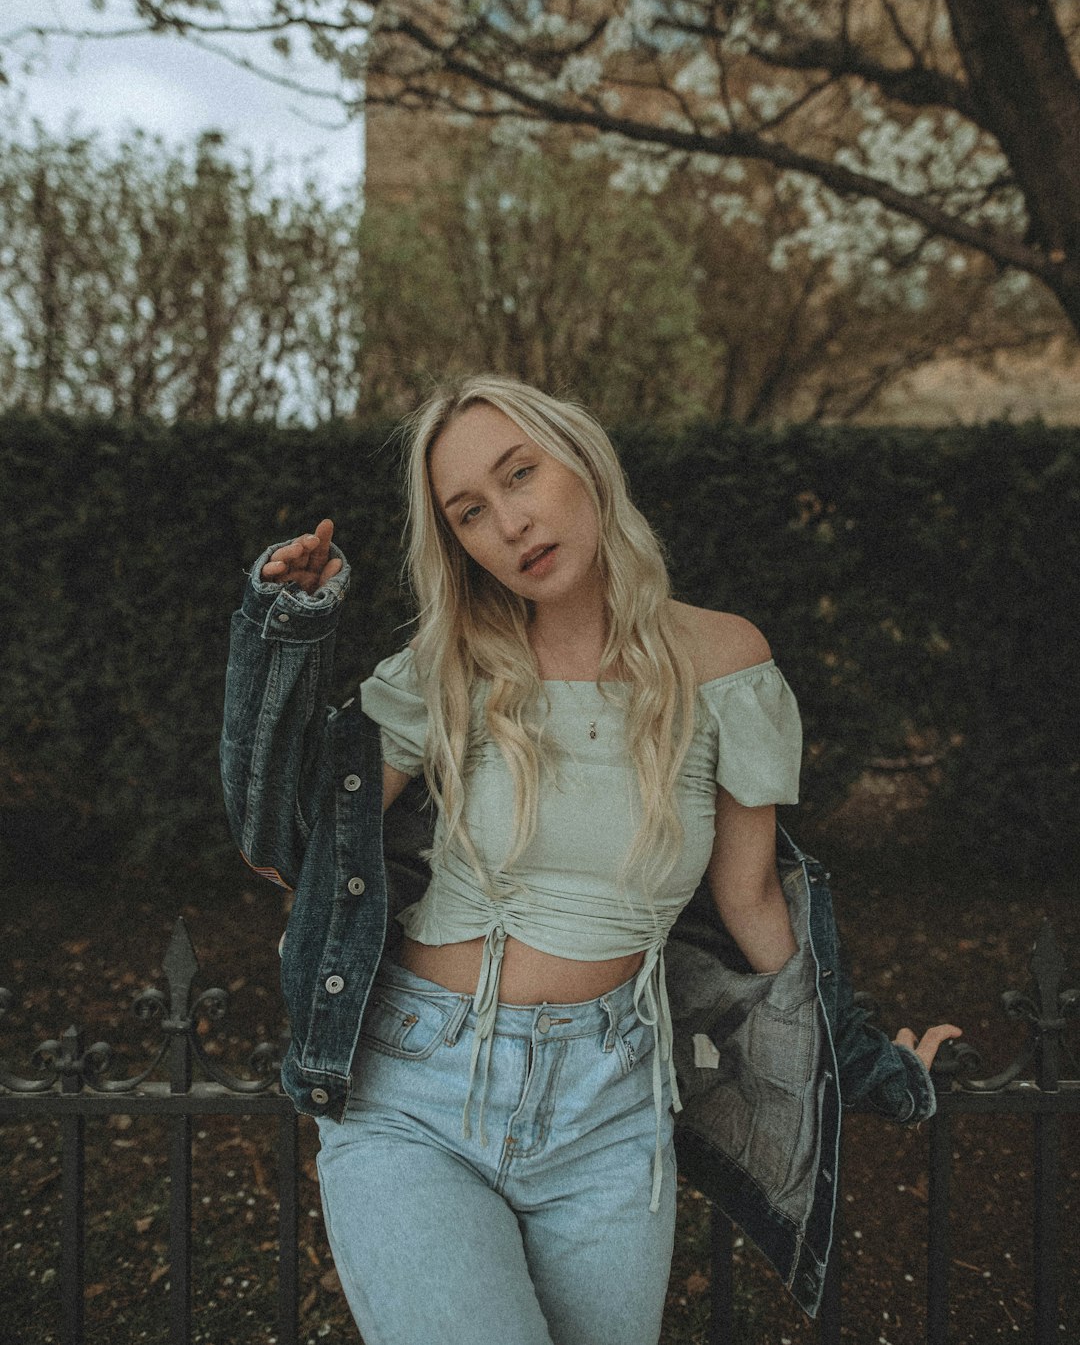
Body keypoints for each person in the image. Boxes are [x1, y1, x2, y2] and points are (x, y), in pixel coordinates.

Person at [221, 373, 961, 1345]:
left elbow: (753, 902)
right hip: (415, 1094)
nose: (512, 523)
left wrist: (856, 1055)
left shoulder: (726, 661)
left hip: (612, 1115)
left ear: (583, 460)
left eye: (520, 472)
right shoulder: (451, 668)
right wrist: (285, 637)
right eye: (472, 513)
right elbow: (287, 844)